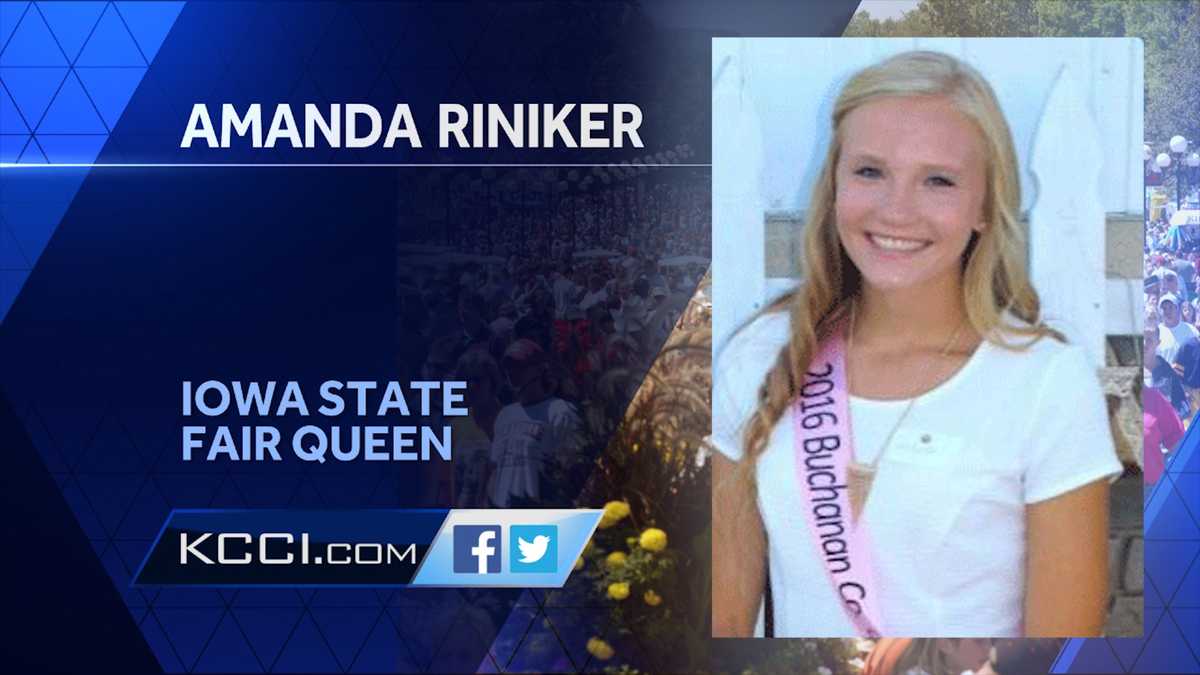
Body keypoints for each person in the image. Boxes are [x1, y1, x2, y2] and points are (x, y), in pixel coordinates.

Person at [710, 51, 1120, 638]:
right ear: (834, 184)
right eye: (870, 172)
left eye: (939, 181)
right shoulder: (760, 354)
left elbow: (1063, 650)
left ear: (984, 206)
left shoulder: (1047, 382)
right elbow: (720, 622)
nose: (896, 210)